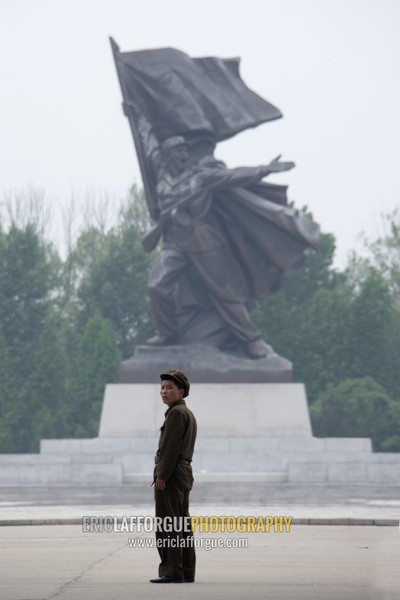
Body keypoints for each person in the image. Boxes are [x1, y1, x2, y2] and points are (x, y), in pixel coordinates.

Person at [146, 135, 296, 358]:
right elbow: (147, 140)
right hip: (174, 243)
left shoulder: (200, 178)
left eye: (186, 151)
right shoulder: (161, 177)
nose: (184, 156)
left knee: (225, 292)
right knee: (156, 286)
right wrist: (134, 111)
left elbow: (233, 176)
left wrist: (265, 169)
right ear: (168, 156)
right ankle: (166, 333)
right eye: (179, 152)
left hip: (201, 241)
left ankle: (251, 340)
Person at [150, 370, 197, 584]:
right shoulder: (185, 413)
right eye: (162, 387)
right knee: (181, 524)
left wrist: (162, 475)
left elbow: (170, 448)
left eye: (169, 387)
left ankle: (172, 571)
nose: (164, 391)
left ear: (181, 391)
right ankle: (186, 570)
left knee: (168, 524)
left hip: (173, 474)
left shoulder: (176, 414)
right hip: (183, 472)